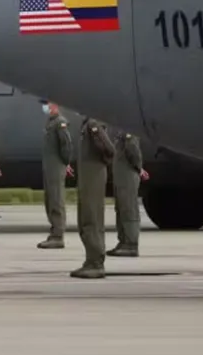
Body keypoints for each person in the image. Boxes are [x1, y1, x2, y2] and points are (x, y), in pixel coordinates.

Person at [72, 116, 115, 279]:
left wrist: (103, 164)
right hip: (88, 177)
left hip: (93, 177)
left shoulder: (94, 123)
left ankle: (96, 263)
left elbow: (109, 149)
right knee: (85, 218)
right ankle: (90, 260)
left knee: (92, 218)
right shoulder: (88, 123)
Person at [108, 127, 149, 257]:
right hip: (121, 177)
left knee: (129, 209)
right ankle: (123, 242)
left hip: (128, 176)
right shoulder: (121, 130)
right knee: (120, 209)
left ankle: (131, 244)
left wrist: (138, 168)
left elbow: (133, 151)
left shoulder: (130, 130)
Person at [37, 99, 73, 249]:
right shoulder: (51, 122)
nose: (45, 107)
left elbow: (66, 145)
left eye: (47, 103)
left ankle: (58, 235)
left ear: (55, 104)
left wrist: (65, 163)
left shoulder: (60, 123)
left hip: (56, 167)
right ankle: (54, 231)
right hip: (50, 167)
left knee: (56, 200)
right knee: (50, 199)